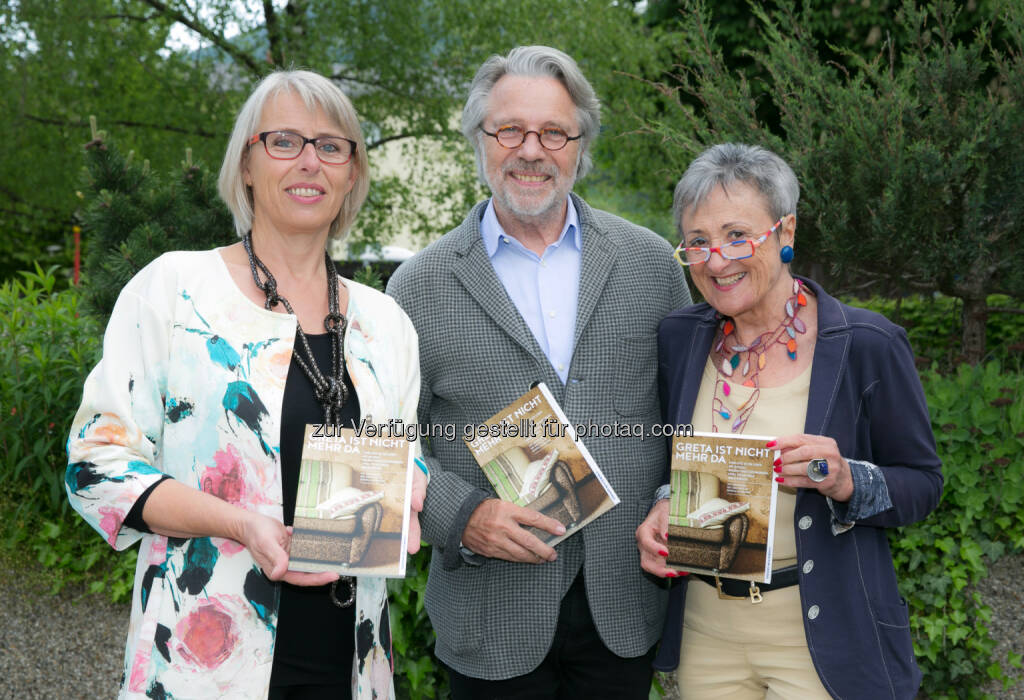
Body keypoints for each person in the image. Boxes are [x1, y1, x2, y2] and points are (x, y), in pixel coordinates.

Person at [66, 70, 424, 700]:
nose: (309, 161)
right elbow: (96, 465)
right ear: (247, 165)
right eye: (284, 141)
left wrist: (411, 493)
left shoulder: (386, 324)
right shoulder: (175, 290)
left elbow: (400, 453)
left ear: (351, 175)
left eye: (331, 146)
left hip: (351, 660)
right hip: (205, 660)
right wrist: (239, 523)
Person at [387, 45, 690, 699]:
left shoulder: (651, 264)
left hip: (624, 609)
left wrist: (673, 501)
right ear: (479, 140)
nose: (532, 150)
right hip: (489, 614)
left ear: (581, 145)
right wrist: (459, 515)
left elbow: (691, 409)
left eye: (554, 132)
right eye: (510, 130)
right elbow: (382, 441)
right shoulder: (417, 285)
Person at [636, 143, 943, 698]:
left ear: (786, 231)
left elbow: (923, 483)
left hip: (821, 641)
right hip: (708, 638)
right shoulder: (679, 339)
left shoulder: (868, 345)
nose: (717, 260)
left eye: (737, 235)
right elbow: (667, 457)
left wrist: (849, 478)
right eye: (698, 243)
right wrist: (663, 504)